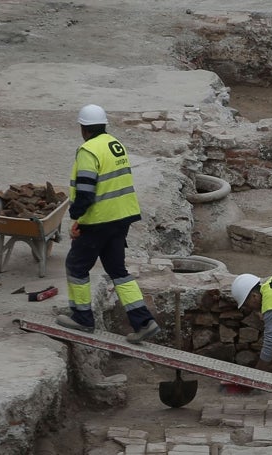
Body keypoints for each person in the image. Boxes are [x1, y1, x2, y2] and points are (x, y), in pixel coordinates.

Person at [56, 104, 160, 344]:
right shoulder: (115, 145)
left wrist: (77, 218)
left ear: (83, 129)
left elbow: (85, 190)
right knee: (118, 271)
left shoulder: (88, 150)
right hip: (122, 218)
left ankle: (82, 317)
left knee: (76, 266)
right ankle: (144, 322)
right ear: (104, 125)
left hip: (99, 220)